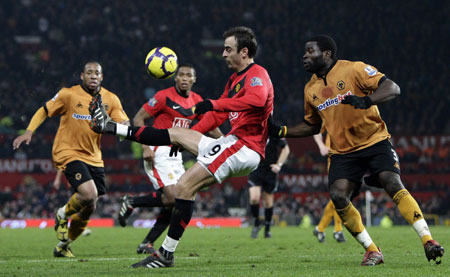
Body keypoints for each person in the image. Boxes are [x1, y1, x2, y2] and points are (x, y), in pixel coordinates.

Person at [89, 26, 274, 269]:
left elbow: (257, 100)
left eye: (228, 49)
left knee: (183, 187)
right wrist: (188, 137)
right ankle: (111, 127)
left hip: (244, 147)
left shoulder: (257, 74)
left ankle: (165, 254)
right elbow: (217, 116)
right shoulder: (234, 80)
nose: (224, 54)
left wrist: (215, 104)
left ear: (244, 51)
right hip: (234, 142)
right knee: (175, 135)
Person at [269, 35, 444, 265]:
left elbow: (393, 88)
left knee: (392, 182)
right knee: (338, 195)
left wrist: (368, 101)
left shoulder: (354, 69)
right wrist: (281, 131)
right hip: (342, 152)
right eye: (304, 52)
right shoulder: (310, 88)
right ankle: (372, 250)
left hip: (374, 141)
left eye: (310, 51)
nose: (304, 56)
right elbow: (313, 125)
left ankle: (428, 240)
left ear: (327, 54)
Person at [13, 61, 129, 258]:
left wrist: (125, 128)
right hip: (68, 152)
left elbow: (123, 122)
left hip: (94, 157)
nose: (93, 76)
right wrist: (29, 132)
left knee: (89, 206)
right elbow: (44, 109)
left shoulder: (111, 99)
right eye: (89, 73)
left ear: (102, 77)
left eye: (97, 73)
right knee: (89, 193)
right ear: (81, 76)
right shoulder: (68, 94)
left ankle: (63, 246)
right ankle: (61, 215)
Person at [118, 64, 223, 254]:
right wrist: (145, 146)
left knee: (178, 200)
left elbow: (211, 125)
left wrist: (224, 141)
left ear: (194, 80)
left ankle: (147, 243)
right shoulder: (162, 96)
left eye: (188, 75)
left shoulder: (197, 100)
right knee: (173, 197)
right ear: (175, 78)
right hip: (157, 150)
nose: (184, 78)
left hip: (176, 155)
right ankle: (132, 202)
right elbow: (138, 119)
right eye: (180, 75)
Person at [249, 137, 289, 239]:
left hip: (270, 170)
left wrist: (279, 165)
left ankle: (267, 228)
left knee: (268, 202)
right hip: (255, 168)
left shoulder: (274, 130)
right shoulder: (252, 129)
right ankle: (256, 223)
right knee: (254, 198)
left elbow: (286, 149)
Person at [312, 133, 345, 243]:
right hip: (335, 159)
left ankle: (320, 229)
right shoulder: (330, 116)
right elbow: (317, 131)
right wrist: (322, 146)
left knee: (340, 197)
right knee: (340, 195)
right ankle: (338, 230)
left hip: (347, 158)